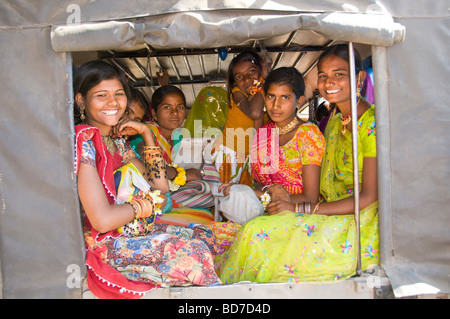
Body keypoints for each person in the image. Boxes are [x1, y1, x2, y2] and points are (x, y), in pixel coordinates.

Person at [217, 44, 378, 284]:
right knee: (237, 231)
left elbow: (368, 197)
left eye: (339, 74)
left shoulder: (370, 123)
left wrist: (295, 208)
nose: (329, 82)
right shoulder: (335, 122)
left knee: (255, 234)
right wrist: (256, 193)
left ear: (360, 77)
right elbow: (266, 182)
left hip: (359, 222)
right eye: (323, 76)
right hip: (325, 211)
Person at [74, 60, 220, 298]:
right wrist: (147, 206)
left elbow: (160, 186)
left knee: (208, 237)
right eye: (101, 95)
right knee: (190, 252)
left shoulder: (117, 141)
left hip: (129, 230)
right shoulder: (85, 142)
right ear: (81, 100)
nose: (113, 103)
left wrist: (146, 134)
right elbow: (101, 220)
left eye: (119, 94)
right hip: (103, 242)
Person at [215, 67, 325, 224]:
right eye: (271, 96)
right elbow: (261, 184)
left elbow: (310, 197)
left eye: (285, 97)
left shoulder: (308, 134)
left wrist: (255, 194)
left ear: (299, 101)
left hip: (301, 217)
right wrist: (242, 191)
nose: (276, 105)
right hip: (266, 213)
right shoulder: (264, 133)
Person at [132, 85, 219, 211]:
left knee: (208, 186)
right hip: (148, 189)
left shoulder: (179, 137)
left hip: (172, 187)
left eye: (180, 107)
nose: (174, 113)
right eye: (167, 107)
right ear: (154, 113)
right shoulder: (145, 133)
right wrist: (182, 175)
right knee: (210, 195)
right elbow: (150, 166)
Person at [211, 50, 271, 188]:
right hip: (229, 152)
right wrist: (262, 79)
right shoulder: (237, 93)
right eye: (239, 77)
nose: (246, 79)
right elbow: (255, 113)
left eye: (251, 71)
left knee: (245, 195)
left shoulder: (267, 95)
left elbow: (258, 126)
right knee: (226, 193)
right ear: (234, 82)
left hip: (249, 154)